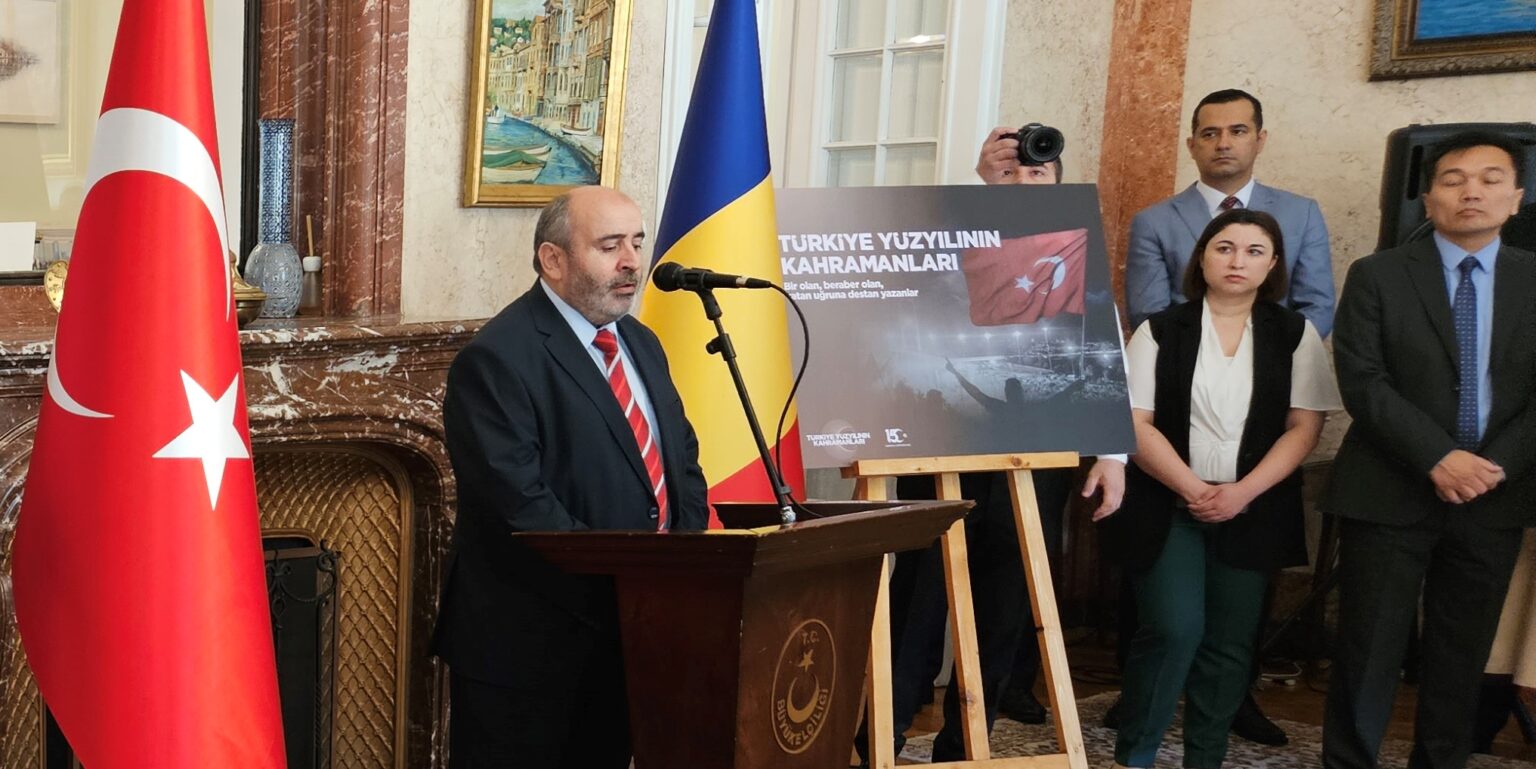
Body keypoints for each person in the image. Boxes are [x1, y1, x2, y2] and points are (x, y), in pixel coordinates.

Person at [854, 134, 1127, 766]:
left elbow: (1104, 354)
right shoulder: (948, 244)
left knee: (1005, 608)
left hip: (1035, 461)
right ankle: (881, 741)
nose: (1025, 183)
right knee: (918, 598)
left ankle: (964, 747)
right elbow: (895, 312)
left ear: (1059, 186)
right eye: (1012, 173)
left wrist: (1113, 456)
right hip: (941, 447)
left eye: (1039, 174)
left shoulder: (1076, 251)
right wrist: (979, 198)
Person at [432, 186, 710, 769]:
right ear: (553, 260)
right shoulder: (498, 359)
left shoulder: (641, 342)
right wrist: (632, 590)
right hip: (532, 652)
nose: (631, 262)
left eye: (636, 243)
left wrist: (679, 576)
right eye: (610, 246)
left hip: (636, 634)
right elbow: (525, 509)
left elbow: (682, 462)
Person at [1117, 88, 1337, 745]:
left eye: (1253, 251)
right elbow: (1137, 402)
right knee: (1174, 625)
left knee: (1231, 638)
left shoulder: (1294, 330)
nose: (1237, 260)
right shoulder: (1160, 314)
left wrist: (1242, 486)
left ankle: (1208, 750)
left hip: (1255, 489)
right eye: (1224, 249)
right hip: (1170, 484)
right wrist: (1193, 486)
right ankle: (1137, 746)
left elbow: (1306, 419)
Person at [1321, 131, 1536, 769]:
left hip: (1494, 495)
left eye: (1490, 179)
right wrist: (1438, 457)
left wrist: (1492, 467)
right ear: (1427, 197)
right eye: (1453, 179)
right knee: (1368, 649)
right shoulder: (1377, 274)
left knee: (1461, 654)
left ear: (1516, 197)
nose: (1472, 191)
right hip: (1389, 487)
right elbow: (1363, 380)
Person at [1125, 89, 1334, 335]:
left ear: (1260, 140)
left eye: (1238, 131)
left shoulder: (1301, 213)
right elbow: (1149, 316)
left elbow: (1317, 306)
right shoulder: (1154, 222)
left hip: (1279, 354)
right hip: (1184, 355)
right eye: (1210, 134)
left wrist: (1267, 352)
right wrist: (1211, 353)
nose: (1223, 144)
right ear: (1192, 146)